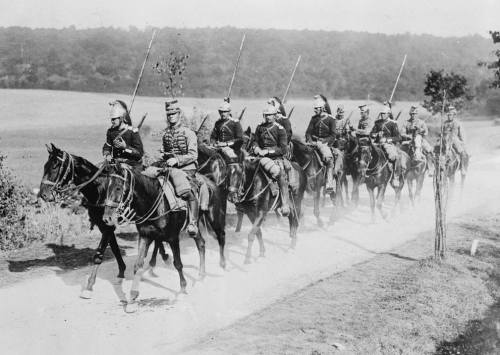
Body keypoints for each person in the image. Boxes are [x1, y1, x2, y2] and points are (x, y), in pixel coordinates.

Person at [153, 100, 200, 235]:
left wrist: (177, 160)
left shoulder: (188, 133)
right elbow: (165, 150)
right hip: (170, 167)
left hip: (186, 168)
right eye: (169, 114)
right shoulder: (166, 134)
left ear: (179, 114)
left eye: (174, 114)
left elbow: (193, 154)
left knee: (186, 192)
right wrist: (162, 155)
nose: (171, 116)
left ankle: (193, 223)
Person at [252, 104, 291, 216]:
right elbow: (255, 141)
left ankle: (285, 204)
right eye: (266, 115)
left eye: (270, 115)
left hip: (275, 158)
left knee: (280, 175)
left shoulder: (280, 129)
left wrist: (268, 152)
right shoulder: (260, 127)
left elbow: (283, 149)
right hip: (260, 156)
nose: (268, 117)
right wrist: (256, 148)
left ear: (275, 116)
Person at [305, 94, 337, 192]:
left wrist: (325, 141)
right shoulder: (314, 119)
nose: (315, 111)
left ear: (322, 108)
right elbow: (308, 132)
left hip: (324, 144)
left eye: (317, 109)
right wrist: (310, 141)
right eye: (315, 109)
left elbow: (333, 135)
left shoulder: (331, 119)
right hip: (313, 142)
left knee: (329, 160)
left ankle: (329, 183)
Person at [102, 100, 144, 167]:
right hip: (115, 162)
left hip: (131, 163)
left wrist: (125, 147)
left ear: (121, 118)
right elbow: (107, 147)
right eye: (111, 119)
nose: (112, 121)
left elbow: (139, 153)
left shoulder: (132, 131)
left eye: (114, 119)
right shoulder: (110, 131)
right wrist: (109, 157)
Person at [370, 106, 402, 185]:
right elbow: (372, 133)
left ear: (388, 114)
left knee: (395, 157)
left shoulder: (392, 124)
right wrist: (376, 134)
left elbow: (398, 137)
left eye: (384, 113)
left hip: (388, 144)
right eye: (382, 113)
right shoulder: (377, 123)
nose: (383, 115)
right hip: (376, 144)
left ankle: (396, 177)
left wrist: (387, 140)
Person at [210, 99, 244, 163]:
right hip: (218, 147)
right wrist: (213, 143)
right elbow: (213, 137)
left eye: (225, 112)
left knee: (232, 160)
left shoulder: (235, 123)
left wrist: (226, 144)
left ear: (229, 112)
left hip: (232, 148)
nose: (223, 114)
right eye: (221, 112)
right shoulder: (217, 123)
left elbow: (240, 139)